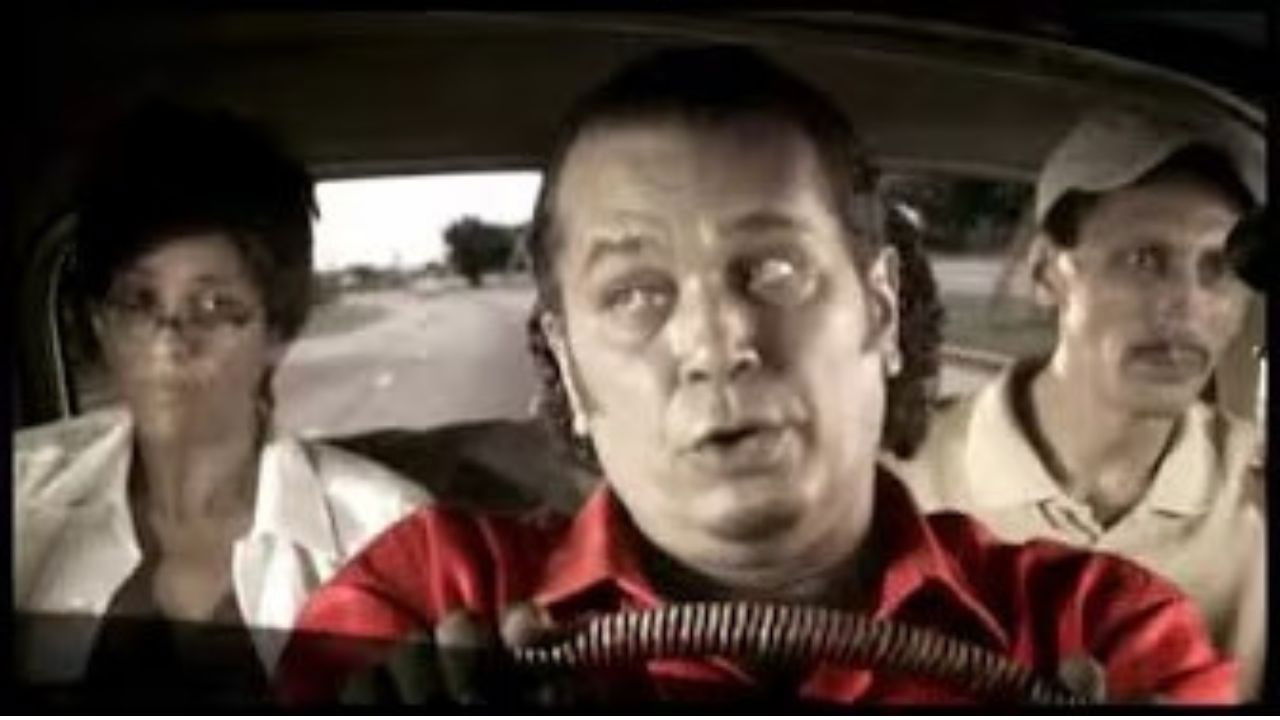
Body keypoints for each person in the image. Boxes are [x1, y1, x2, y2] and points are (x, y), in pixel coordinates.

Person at [275, 47, 1233, 706]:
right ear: (568, 365)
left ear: (881, 312)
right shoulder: (426, 599)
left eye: (774, 271)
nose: (717, 341)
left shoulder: (1103, 628)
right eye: (635, 292)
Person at [12, 102, 430, 703]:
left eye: (213, 306)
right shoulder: (22, 493)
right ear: (99, 322)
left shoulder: (391, 532)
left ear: (277, 331)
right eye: (137, 302)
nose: (169, 341)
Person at [886, 108, 1266, 697]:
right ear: (1047, 272)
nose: (1187, 304)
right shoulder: (898, 481)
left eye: (1218, 269)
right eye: (1144, 260)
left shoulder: (1256, 496)